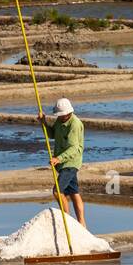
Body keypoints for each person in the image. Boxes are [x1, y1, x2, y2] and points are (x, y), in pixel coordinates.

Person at [39, 97, 86, 227]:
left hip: (70, 162)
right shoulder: (60, 121)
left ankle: (68, 222)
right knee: (73, 192)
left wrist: (58, 158)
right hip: (63, 163)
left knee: (57, 191)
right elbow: (52, 134)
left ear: (68, 113)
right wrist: (44, 123)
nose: (60, 117)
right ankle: (82, 224)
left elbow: (74, 148)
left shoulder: (75, 124)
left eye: (62, 115)